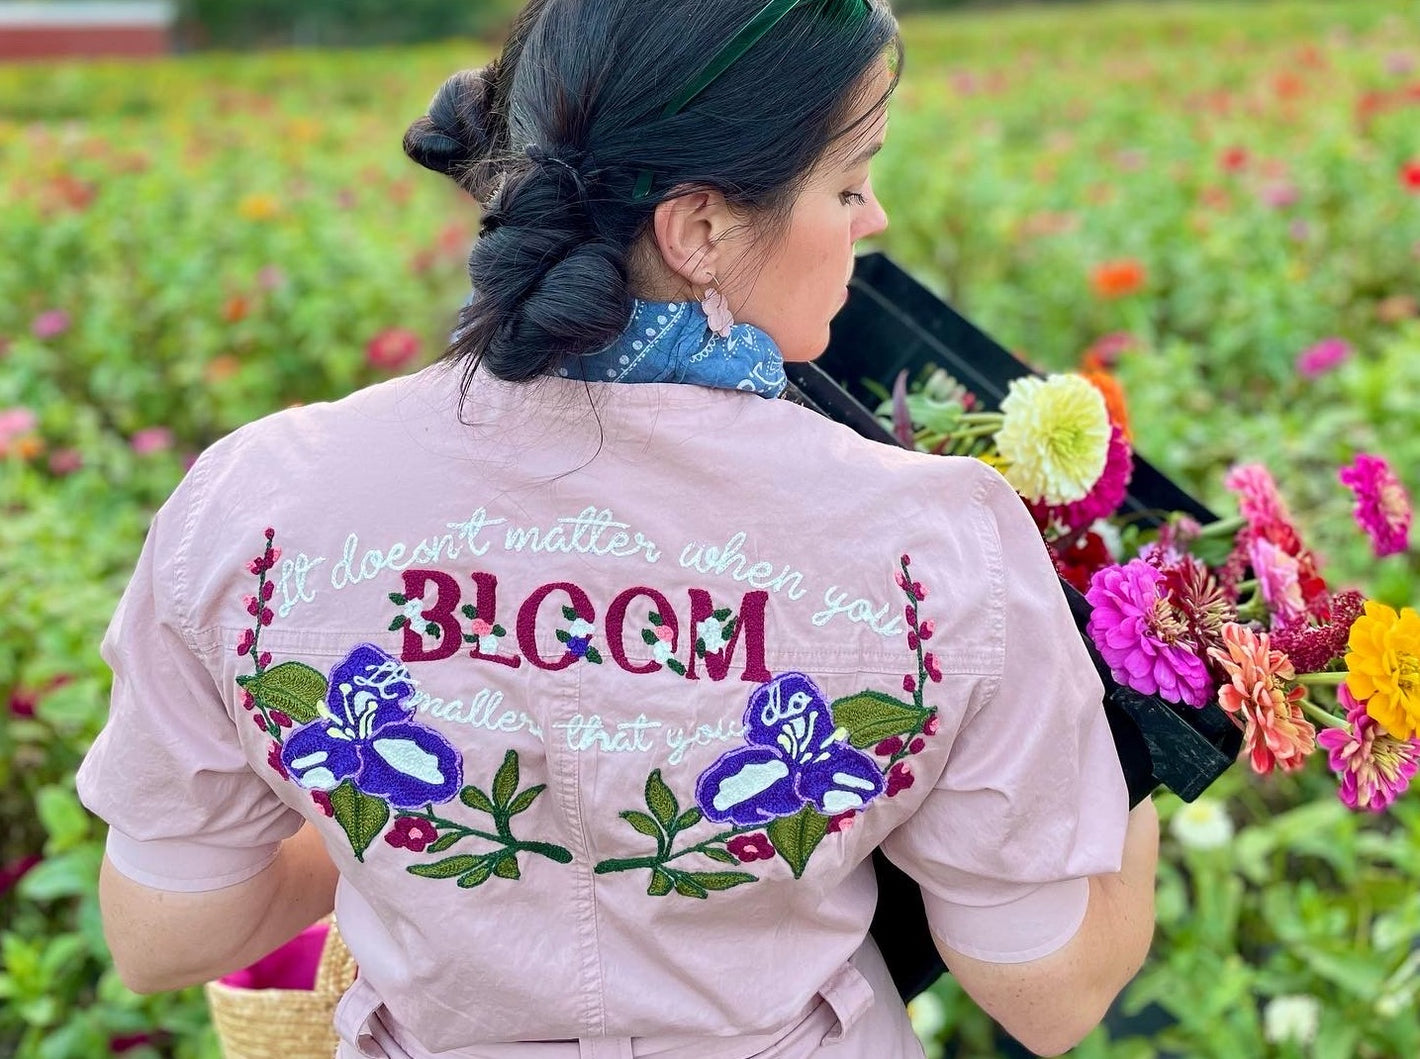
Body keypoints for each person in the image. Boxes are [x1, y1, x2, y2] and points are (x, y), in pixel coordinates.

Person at [74, 1, 1160, 1056]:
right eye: (848, 182)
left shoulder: (258, 504)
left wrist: (366, 815)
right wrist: (1151, 726)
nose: (869, 220)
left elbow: (168, 932)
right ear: (699, 230)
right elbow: (1050, 992)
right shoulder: (936, 542)